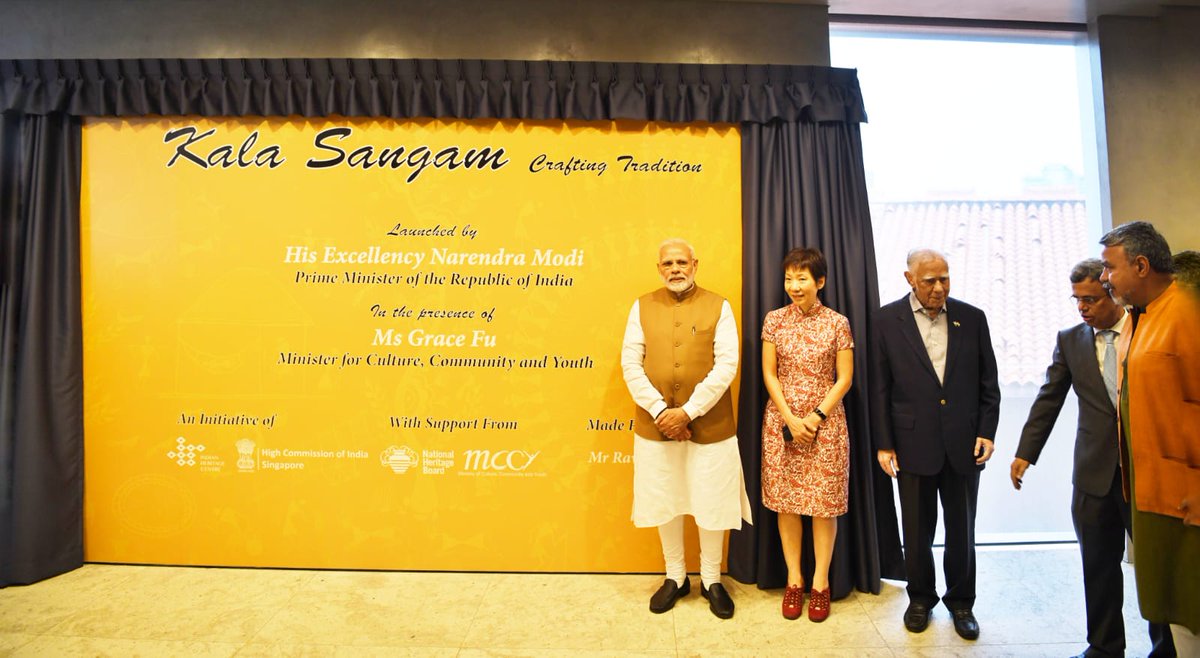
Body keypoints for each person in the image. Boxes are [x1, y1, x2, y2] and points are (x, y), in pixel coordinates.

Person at [1011, 258, 1174, 658]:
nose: (1083, 308)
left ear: (1113, 295)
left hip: (1145, 472)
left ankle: (1166, 649)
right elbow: (1049, 398)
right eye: (1077, 300)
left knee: (1155, 570)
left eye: (1092, 299)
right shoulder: (1070, 340)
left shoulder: (1146, 328)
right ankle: (1103, 648)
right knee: (1098, 567)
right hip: (1092, 475)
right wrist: (1025, 453)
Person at [871, 249, 1000, 641]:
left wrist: (987, 431)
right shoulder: (884, 320)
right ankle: (920, 599)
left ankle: (962, 603)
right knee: (916, 530)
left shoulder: (972, 318)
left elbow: (988, 384)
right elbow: (880, 387)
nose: (938, 287)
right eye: (929, 281)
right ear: (909, 278)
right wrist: (884, 444)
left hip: (963, 442)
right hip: (911, 443)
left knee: (962, 530)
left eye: (944, 278)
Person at [620, 237, 753, 620]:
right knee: (666, 499)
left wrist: (689, 412)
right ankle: (675, 577)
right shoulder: (642, 306)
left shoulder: (719, 306)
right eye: (668, 264)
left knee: (712, 500)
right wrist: (663, 411)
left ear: (695, 264)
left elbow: (727, 365)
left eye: (682, 262)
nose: (675, 269)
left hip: (711, 425)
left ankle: (711, 579)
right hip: (655, 424)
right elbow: (631, 363)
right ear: (659, 269)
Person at [1100, 222, 1200, 655]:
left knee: (1190, 608)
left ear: (1141, 265)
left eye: (1110, 268)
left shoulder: (1187, 312)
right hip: (1154, 495)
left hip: (1186, 499)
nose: (1105, 278)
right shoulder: (1143, 318)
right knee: (1174, 611)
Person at [760, 247, 854, 622]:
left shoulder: (837, 323)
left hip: (826, 425)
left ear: (820, 281)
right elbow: (770, 373)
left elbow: (844, 377)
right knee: (787, 504)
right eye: (789, 278)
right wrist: (790, 418)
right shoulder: (773, 320)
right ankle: (794, 579)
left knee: (822, 506)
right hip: (781, 423)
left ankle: (820, 583)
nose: (794, 286)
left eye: (802, 278)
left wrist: (814, 417)